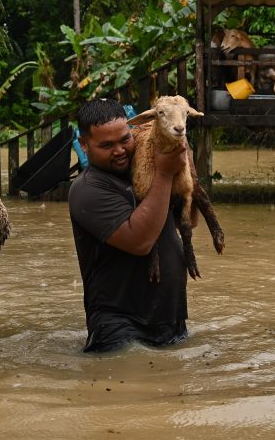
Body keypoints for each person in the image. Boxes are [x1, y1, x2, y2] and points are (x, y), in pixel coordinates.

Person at [68, 98, 196, 353]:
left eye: (125, 139)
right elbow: (140, 242)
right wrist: (164, 174)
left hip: (169, 319)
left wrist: (186, 173)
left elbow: (190, 221)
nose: (120, 150)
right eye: (107, 145)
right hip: (120, 326)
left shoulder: (144, 168)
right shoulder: (88, 189)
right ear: (84, 145)